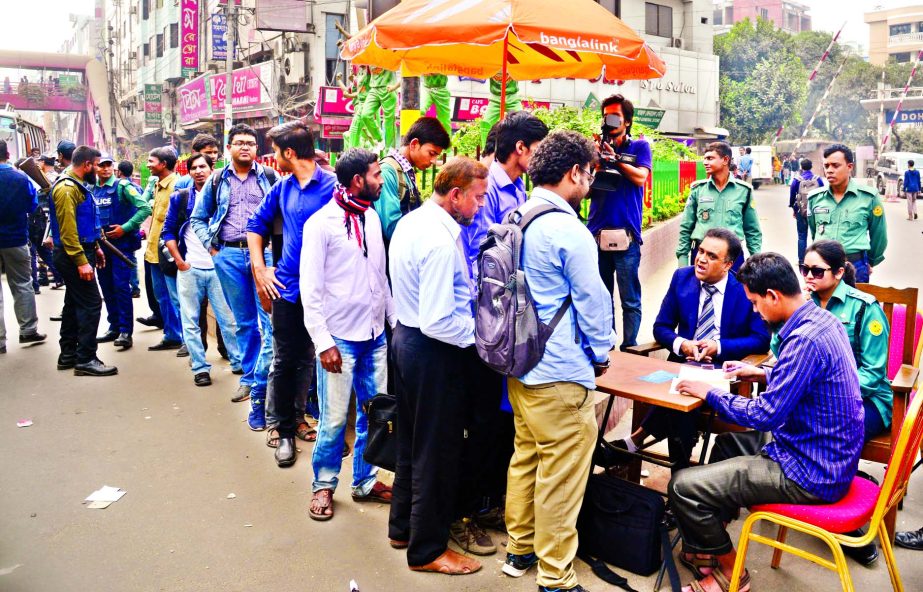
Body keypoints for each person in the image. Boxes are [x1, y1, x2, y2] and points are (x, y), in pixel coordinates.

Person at [668, 252, 863, 592]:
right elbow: (804, 376)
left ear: (773, 295)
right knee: (727, 445)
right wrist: (761, 371)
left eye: (756, 303)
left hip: (810, 473)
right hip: (824, 455)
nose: (756, 311)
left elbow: (765, 415)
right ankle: (706, 548)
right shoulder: (820, 319)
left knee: (683, 486)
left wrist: (708, 392)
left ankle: (731, 572)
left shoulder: (803, 339)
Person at [502, 131, 616, 592]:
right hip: (561, 374)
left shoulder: (518, 215)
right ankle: (555, 577)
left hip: (519, 364)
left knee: (526, 457)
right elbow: (593, 303)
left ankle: (520, 548)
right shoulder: (568, 230)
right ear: (574, 173)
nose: (590, 182)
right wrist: (603, 353)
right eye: (589, 173)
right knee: (562, 477)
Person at [387, 157, 489, 576]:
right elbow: (438, 320)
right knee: (437, 450)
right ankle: (427, 549)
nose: (481, 207)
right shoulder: (441, 242)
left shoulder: (414, 222)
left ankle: (402, 528)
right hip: (431, 348)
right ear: (456, 195)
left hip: (407, 341)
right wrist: (481, 337)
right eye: (478, 199)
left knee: (412, 442)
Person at [620, 228, 770, 469]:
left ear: (728, 264)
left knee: (685, 393)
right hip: (682, 365)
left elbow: (761, 339)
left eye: (711, 256)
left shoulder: (743, 290)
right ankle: (679, 471)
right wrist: (682, 344)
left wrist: (718, 347)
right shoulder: (682, 278)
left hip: (724, 372)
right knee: (682, 388)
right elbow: (662, 327)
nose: (700, 259)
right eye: (700, 250)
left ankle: (637, 441)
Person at [301, 148, 394, 520]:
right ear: (357, 180)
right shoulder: (321, 224)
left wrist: (394, 325)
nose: (381, 180)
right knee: (335, 418)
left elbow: (380, 278)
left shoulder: (370, 217)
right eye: (375, 174)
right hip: (339, 339)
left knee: (374, 415)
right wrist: (323, 342)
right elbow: (311, 290)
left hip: (375, 336)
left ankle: (365, 481)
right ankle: (323, 485)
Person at [246, 120, 333, 454]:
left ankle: (302, 420)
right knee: (284, 359)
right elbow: (256, 225)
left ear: (290, 153)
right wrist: (260, 268)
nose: (272, 157)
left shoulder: (333, 187)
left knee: (311, 357)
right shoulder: (282, 187)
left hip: (324, 291)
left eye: (275, 151)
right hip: (286, 287)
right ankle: (282, 429)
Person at [192, 124, 276, 428]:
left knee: (269, 321)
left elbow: (279, 215)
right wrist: (213, 250)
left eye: (251, 143)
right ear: (229, 148)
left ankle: (260, 382)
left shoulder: (268, 176)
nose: (245, 148)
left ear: (257, 148)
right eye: (239, 143)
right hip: (227, 255)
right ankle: (251, 377)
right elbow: (198, 218)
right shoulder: (217, 180)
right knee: (243, 323)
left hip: (264, 256)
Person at [161, 153, 241, 387]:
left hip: (218, 269)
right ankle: (200, 367)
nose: (198, 171)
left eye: (202, 166)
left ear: (211, 168)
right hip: (190, 268)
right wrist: (179, 261)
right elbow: (168, 232)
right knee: (190, 321)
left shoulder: (223, 196)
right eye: (193, 167)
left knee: (228, 320)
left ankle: (238, 362)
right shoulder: (181, 198)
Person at [587, 93, 652, 351]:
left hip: (627, 236)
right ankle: (608, 346)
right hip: (596, 233)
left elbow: (640, 178)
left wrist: (616, 160)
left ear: (627, 121)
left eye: (615, 117)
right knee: (603, 299)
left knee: (629, 299)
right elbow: (586, 189)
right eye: (606, 117)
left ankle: (630, 348)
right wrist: (595, 162)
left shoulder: (639, 148)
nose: (609, 122)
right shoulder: (596, 149)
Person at [48, 146, 117, 376]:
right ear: (87, 165)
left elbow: (84, 223)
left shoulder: (76, 186)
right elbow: (68, 232)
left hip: (82, 250)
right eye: (97, 165)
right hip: (72, 255)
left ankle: (68, 353)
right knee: (92, 303)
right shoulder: (67, 189)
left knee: (74, 302)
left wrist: (95, 247)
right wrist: (81, 261)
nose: (99, 170)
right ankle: (85, 358)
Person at [461, 111, 549, 274]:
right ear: (520, 147)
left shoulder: (519, 185)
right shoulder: (487, 187)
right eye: (539, 149)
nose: (543, 157)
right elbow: (479, 252)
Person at [92, 153, 151, 350]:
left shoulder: (123, 187)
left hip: (121, 247)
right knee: (106, 286)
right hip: (101, 247)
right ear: (95, 167)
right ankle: (114, 326)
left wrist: (124, 228)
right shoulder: (91, 189)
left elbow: (144, 208)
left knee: (121, 287)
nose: (105, 169)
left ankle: (126, 331)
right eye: (101, 166)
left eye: (108, 165)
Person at [807, 144, 887, 284]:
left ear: (849, 167)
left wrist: (871, 261)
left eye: (835, 165)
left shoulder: (869, 197)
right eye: (826, 166)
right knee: (822, 305)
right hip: (822, 267)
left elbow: (879, 235)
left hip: (855, 264)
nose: (829, 171)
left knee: (856, 305)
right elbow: (814, 231)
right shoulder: (815, 198)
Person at [676, 141, 762, 270]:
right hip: (702, 254)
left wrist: (757, 264)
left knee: (733, 290)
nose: (705, 162)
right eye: (704, 158)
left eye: (710, 158)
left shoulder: (744, 191)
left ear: (725, 160)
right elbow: (686, 227)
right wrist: (682, 262)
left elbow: (752, 230)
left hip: (732, 257)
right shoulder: (698, 189)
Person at [0, 140, 46, 354]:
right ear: (8, 154)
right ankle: (28, 330)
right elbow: (32, 205)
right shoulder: (20, 178)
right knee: (22, 283)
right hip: (15, 238)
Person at [376, 117, 451, 243]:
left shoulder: (407, 171)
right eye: (431, 153)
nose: (433, 161)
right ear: (414, 144)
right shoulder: (388, 172)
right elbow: (391, 228)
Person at [142, 147, 184, 352]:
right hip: (153, 251)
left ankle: (184, 337)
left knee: (175, 296)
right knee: (162, 297)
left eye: (151, 161)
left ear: (163, 164)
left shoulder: (177, 185)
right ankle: (172, 334)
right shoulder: (157, 184)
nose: (148, 165)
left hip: (167, 252)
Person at [789, 158, 824, 265]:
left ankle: (801, 260)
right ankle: (817, 259)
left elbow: (792, 197)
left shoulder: (797, 180)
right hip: (816, 212)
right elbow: (823, 195)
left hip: (801, 210)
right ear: (811, 166)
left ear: (801, 167)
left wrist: (794, 209)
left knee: (801, 236)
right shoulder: (818, 180)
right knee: (817, 236)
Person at [116, 160, 142, 298]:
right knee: (131, 258)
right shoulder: (136, 188)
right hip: (134, 229)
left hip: (122, 229)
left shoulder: (119, 187)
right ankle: (135, 287)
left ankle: (127, 287)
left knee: (122, 259)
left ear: (119, 172)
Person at [357, 67, 400, 149]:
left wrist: (394, 86)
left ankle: (389, 150)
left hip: (388, 88)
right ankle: (379, 138)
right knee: (365, 115)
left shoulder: (389, 54)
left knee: (389, 122)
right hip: (373, 89)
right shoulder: (367, 56)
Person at [479, 73, 522, 148]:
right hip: (495, 97)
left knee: (522, 122)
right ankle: (485, 150)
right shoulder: (491, 63)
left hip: (513, 96)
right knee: (485, 124)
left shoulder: (515, 63)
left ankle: (520, 148)